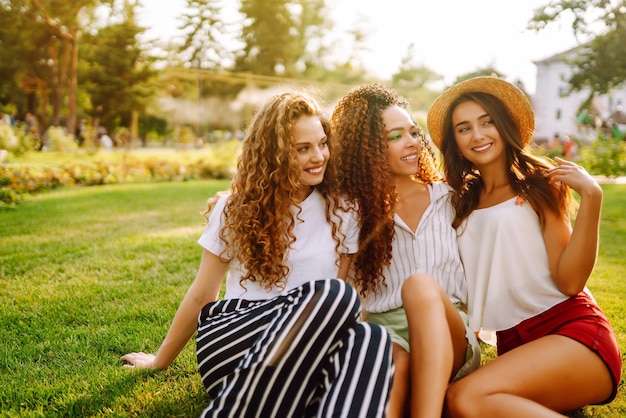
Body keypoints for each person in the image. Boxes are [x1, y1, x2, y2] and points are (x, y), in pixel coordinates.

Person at [121, 91, 393, 417]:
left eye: (322, 143)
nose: (319, 156)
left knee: (370, 337)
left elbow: (336, 312)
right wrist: (159, 361)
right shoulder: (234, 208)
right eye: (302, 149)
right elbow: (202, 295)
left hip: (301, 352)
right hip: (236, 338)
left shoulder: (343, 209)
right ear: (274, 154)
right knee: (336, 294)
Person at [427, 76, 622, 417]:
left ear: (504, 127)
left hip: (571, 331)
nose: (478, 134)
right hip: (515, 344)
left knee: (464, 399)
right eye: (464, 128)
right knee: (451, 402)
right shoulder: (455, 201)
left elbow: (570, 283)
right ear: (455, 143)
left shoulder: (539, 186)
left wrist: (592, 197)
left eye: (487, 122)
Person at [331, 84, 480, 418]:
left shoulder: (451, 197)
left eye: (413, 133)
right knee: (392, 371)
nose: (413, 142)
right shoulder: (352, 211)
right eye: (396, 136)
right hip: (387, 334)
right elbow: (338, 286)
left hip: (448, 329)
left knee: (421, 286)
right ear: (366, 148)